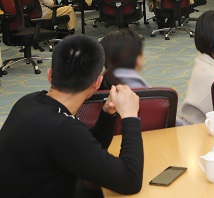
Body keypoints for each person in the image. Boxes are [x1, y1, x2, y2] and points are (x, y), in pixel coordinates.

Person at [0, 35, 144, 196]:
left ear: (50, 75)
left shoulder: (29, 101)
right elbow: (130, 181)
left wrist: (107, 114)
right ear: (97, 83)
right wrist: (130, 116)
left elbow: (85, 149)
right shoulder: (63, 129)